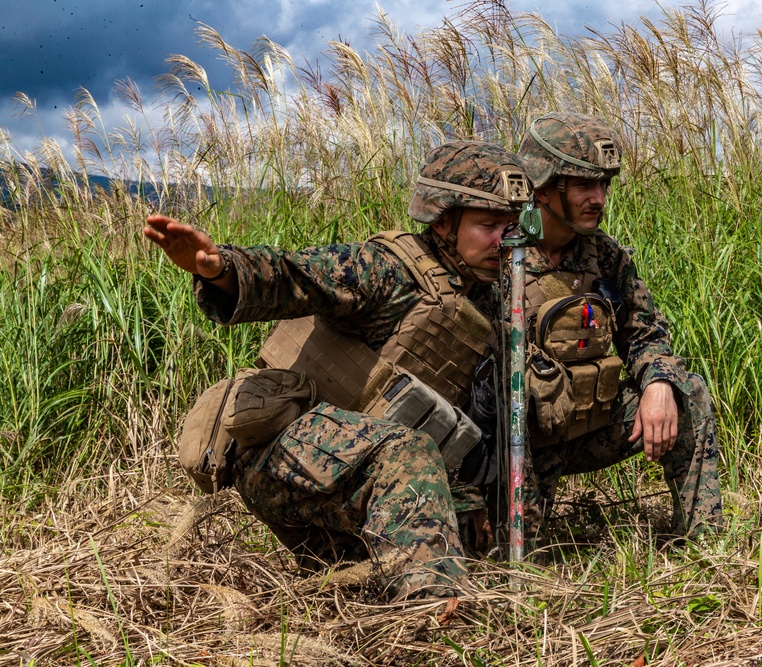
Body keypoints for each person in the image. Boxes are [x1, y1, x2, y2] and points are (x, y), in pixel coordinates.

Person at [144, 140, 531, 600]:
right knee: (410, 453)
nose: (504, 240)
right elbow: (297, 275)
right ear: (444, 221)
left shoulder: (490, 295)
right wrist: (222, 269)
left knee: (468, 521)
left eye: (512, 226)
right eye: (488, 225)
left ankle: (358, 573)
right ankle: (432, 612)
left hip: (357, 470)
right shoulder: (386, 269)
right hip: (284, 451)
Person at [505, 112, 722, 543]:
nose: (600, 198)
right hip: (514, 438)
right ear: (544, 189)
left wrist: (658, 383)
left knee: (690, 391)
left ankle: (704, 546)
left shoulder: (605, 257)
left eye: (604, 184)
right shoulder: (500, 253)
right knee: (512, 559)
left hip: (583, 423)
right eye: (585, 185)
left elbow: (645, 333)